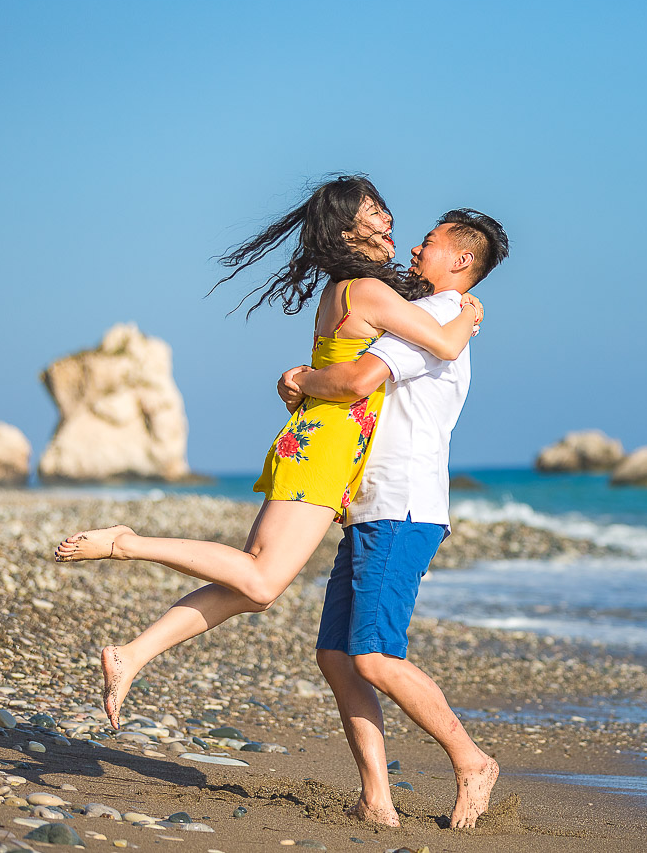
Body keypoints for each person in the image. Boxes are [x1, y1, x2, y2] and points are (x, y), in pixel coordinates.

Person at [53, 175, 485, 730]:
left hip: (316, 441)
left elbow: (333, 366)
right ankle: (126, 543)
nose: (388, 220)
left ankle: (133, 653)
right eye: (373, 212)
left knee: (253, 588)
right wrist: (469, 314)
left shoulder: (348, 290)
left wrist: (299, 378)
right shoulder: (369, 292)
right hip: (325, 447)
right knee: (259, 581)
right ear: (347, 230)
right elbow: (442, 345)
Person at [277, 208, 507, 830]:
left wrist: (301, 378)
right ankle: (377, 797)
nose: (413, 249)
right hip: (372, 502)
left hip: (401, 505)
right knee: (335, 654)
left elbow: (358, 379)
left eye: (428, 244)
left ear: (460, 261)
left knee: (375, 656)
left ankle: (471, 758)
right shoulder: (441, 313)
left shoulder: (436, 314)